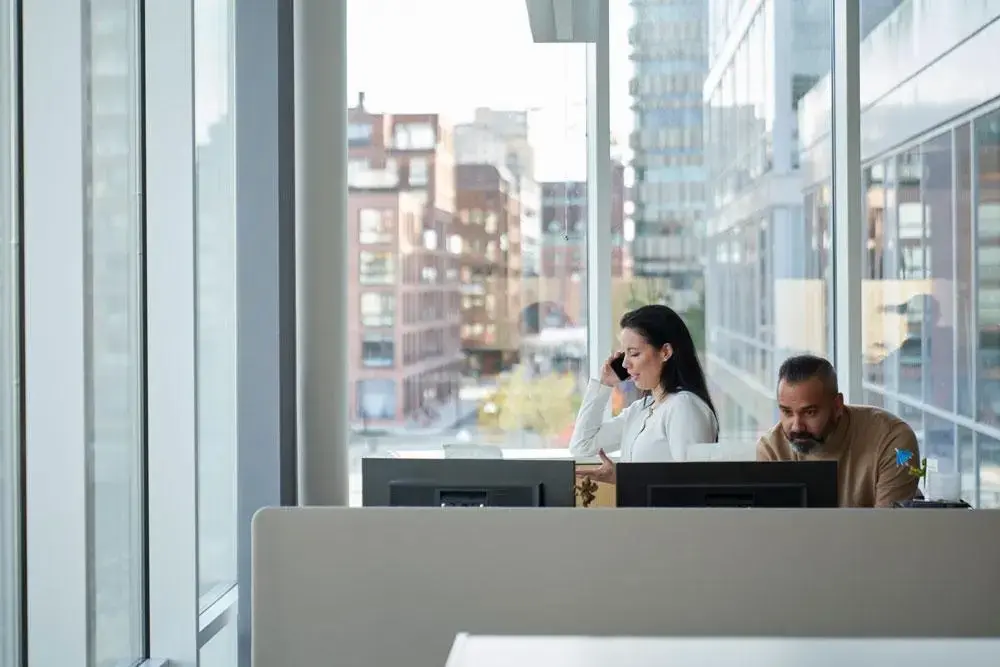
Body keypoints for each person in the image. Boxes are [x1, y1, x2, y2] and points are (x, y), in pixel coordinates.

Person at [569, 304, 719, 483]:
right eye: (624, 354)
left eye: (634, 354)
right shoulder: (641, 410)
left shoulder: (684, 407)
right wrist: (604, 385)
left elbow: (691, 486)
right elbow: (582, 446)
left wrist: (629, 479)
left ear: (665, 352)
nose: (624, 364)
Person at [757, 354, 920, 508]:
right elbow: (773, 530)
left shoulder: (892, 440)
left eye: (810, 412)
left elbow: (889, 529)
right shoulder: (771, 449)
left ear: (837, 407)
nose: (797, 426)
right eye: (787, 412)